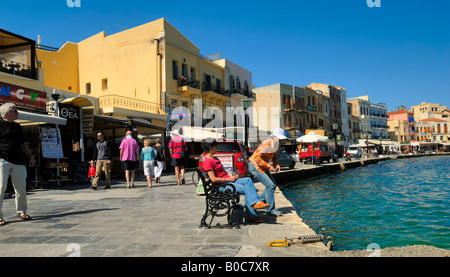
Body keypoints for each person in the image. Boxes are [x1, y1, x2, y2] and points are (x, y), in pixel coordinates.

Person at [201, 138, 269, 223]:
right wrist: (229, 179)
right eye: (215, 146)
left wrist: (232, 175)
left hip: (227, 181)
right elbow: (213, 179)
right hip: (221, 186)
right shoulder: (208, 162)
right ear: (211, 148)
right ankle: (252, 213)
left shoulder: (215, 159)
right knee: (246, 189)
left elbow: (223, 172)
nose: (216, 148)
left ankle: (255, 204)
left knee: (248, 180)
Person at [0, 103, 34, 225]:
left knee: (21, 187)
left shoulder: (17, 126)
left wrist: (30, 155)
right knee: (1, 187)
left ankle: (21, 211)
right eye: (15, 110)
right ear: (7, 113)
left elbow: (22, 144)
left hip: (18, 160)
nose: (17, 112)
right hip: (2, 159)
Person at [248, 128, 287, 216]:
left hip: (263, 167)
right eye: (279, 138)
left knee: (273, 185)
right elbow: (257, 158)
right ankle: (270, 210)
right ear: (274, 137)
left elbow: (274, 157)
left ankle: (258, 202)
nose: (280, 140)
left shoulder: (278, 146)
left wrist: (276, 164)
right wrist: (269, 166)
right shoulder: (267, 144)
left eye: (281, 139)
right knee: (270, 185)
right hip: (255, 166)